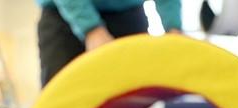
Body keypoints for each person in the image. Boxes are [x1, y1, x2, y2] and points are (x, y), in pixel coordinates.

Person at [37, 0, 182, 86]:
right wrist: (90, 29)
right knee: (61, 96)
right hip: (63, 16)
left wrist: (174, 28)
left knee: (136, 96)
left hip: (128, 12)